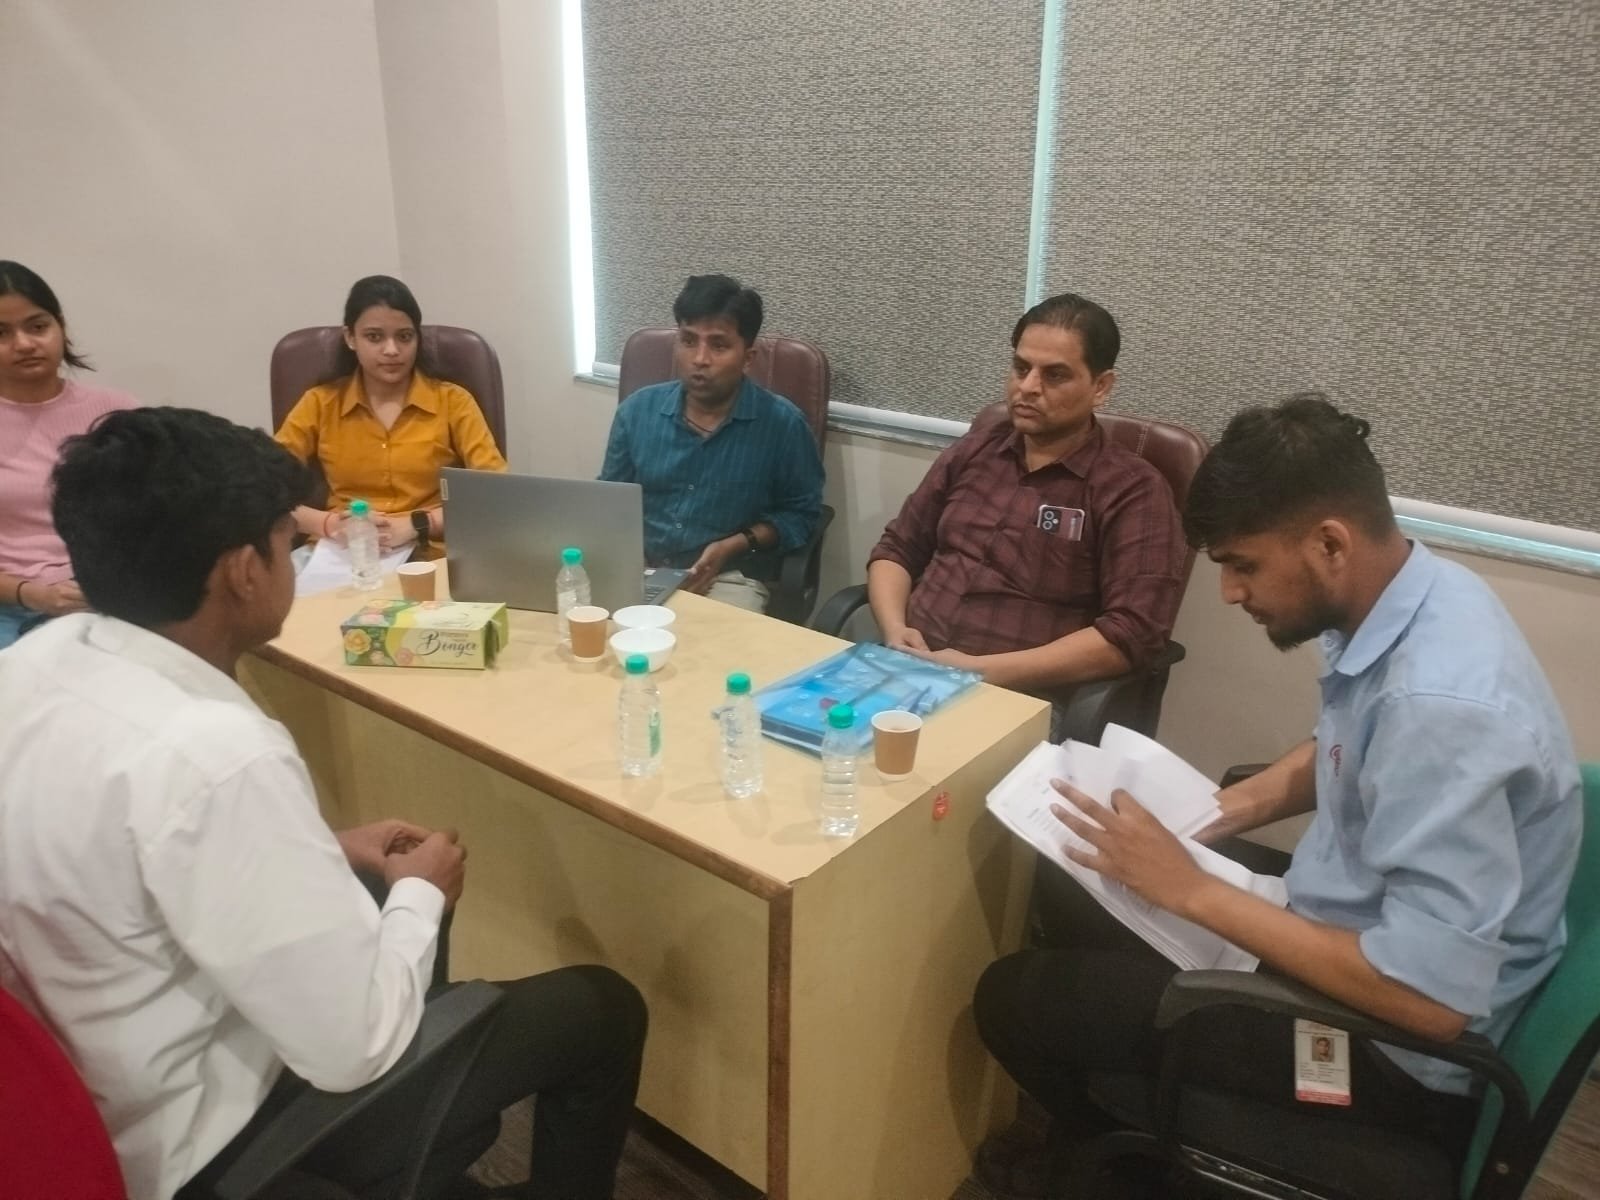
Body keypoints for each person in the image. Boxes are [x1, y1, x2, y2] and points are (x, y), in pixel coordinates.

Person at [0, 407, 646, 1200]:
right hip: (205, 1142)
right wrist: (421, 895)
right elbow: (352, 1049)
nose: (293, 563)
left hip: (77, 1094)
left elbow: (116, 855)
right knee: (602, 1009)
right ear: (244, 572)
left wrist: (324, 849)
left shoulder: (32, 663)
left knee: (369, 885)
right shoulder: (215, 753)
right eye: (288, 544)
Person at [971, 394, 1581, 1197]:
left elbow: (1429, 1004)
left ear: (1329, 543)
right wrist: (1228, 808)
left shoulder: (1440, 709)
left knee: (1016, 998)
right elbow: (1351, 744)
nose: (1230, 592)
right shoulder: (1420, 593)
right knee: (1072, 869)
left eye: (1243, 565)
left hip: (1396, 1057)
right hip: (1343, 920)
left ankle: (1128, 1163)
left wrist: (1192, 890)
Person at [867, 293, 1186, 703]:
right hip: (906, 670)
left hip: (1018, 697)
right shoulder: (974, 452)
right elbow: (897, 549)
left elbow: (1133, 631)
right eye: (1021, 368)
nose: (1028, 387)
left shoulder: (1132, 490)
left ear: (1101, 387)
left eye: (1055, 375)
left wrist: (979, 672)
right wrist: (895, 631)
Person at [599, 274, 824, 613]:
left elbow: (801, 516)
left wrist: (734, 545)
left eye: (718, 345)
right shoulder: (637, 411)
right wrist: (628, 554)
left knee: (711, 644)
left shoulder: (783, 425)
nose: (700, 359)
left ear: (748, 357)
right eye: (689, 341)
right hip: (641, 566)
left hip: (729, 577)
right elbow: (610, 498)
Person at [275, 274, 507, 555]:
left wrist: (419, 523)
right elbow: (263, 489)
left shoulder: (453, 402)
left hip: (429, 552)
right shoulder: (320, 403)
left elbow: (495, 492)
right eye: (374, 337)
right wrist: (330, 524)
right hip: (342, 553)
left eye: (404, 337)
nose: (392, 350)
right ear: (350, 338)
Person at [0, 260, 139, 648]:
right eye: (1, 333)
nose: (24, 344)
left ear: (60, 326)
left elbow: (161, 512)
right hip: (13, 603)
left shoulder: (117, 413)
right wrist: (35, 595)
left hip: (112, 595)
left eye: (37, 326)